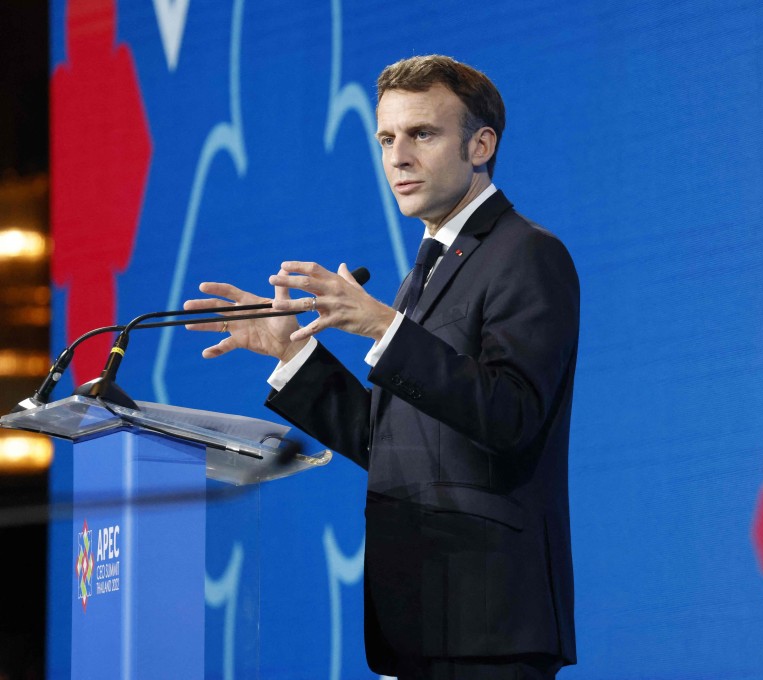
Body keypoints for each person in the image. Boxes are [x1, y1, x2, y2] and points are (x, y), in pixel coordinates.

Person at [185, 55, 579, 679]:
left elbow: (511, 417)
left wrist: (381, 326)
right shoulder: (430, 269)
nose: (398, 157)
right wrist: (293, 353)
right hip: (420, 616)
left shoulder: (526, 254)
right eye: (387, 139)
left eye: (422, 134)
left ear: (481, 145)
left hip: (487, 621)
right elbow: (394, 442)